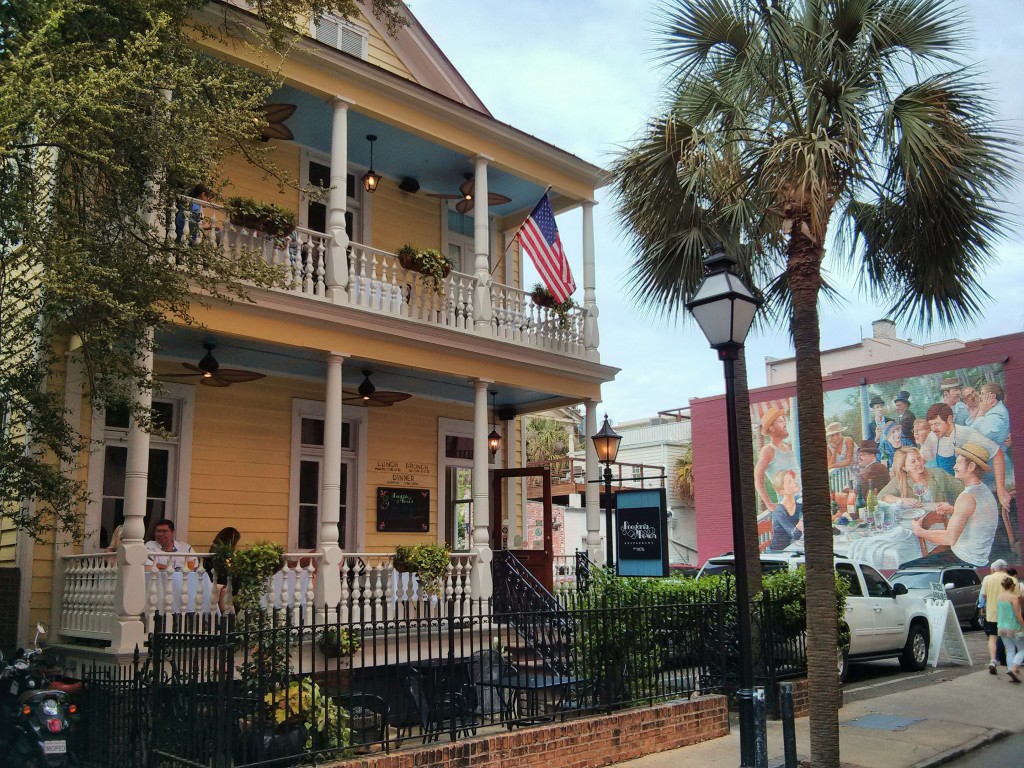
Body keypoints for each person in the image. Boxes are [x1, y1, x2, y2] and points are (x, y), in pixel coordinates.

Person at [910, 443, 999, 567]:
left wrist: (919, 531)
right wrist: (954, 510)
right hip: (979, 558)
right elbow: (977, 517)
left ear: (971, 466)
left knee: (904, 568)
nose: (954, 466)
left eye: (958, 463)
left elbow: (949, 538)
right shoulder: (983, 490)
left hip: (964, 560)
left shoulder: (967, 497)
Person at [922, 402, 1011, 514]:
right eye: (931, 425)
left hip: (969, 495)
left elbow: (997, 453)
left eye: (937, 424)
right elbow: (921, 459)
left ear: (949, 419)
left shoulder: (966, 433)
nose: (933, 429)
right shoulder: (933, 437)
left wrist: (1001, 490)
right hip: (947, 495)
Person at [878, 446, 963, 509]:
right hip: (915, 521)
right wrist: (902, 500)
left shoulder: (938, 474)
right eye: (913, 462)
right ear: (904, 467)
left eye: (919, 458)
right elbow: (880, 497)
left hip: (940, 518)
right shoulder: (900, 480)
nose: (918, 463)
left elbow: (961, 490)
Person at [754, 407, 799, 514]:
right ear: (772, 428)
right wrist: (769, 504)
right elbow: (758, 478)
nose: (785, 424)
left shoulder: (788, 448)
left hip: (801, 499)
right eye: (781, 421)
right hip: (789, 505)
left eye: (784, 420)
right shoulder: (768, 450)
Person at [980, 559, 1019, 675]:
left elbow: (984, 595)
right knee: (1009, 640)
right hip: (1007, 615)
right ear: (1005, 568)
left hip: (992, 613)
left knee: (993, 637)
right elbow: (1017, 597)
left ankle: (993, 660)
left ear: (995, 568)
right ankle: (1010, 664)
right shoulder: (1012, 580)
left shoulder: (987, 579)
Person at [995, 575, 1024, 683]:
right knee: (1022, 649)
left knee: (1009, 650)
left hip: (1001, 627)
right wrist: (1023, 625)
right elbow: (1017, 614)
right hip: (1013, 627)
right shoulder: (1013, 598)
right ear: (1012, 586)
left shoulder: (999, 597)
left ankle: (1010, 670)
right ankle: (1014, 668)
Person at [768, 470, 803, 551]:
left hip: (792, 548)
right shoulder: (779, 512)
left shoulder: (798, 506)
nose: (794, 482)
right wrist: (802, 521)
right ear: (782, 491)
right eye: (790, 482)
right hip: (778, 552)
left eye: (793, 479)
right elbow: (794, 534)